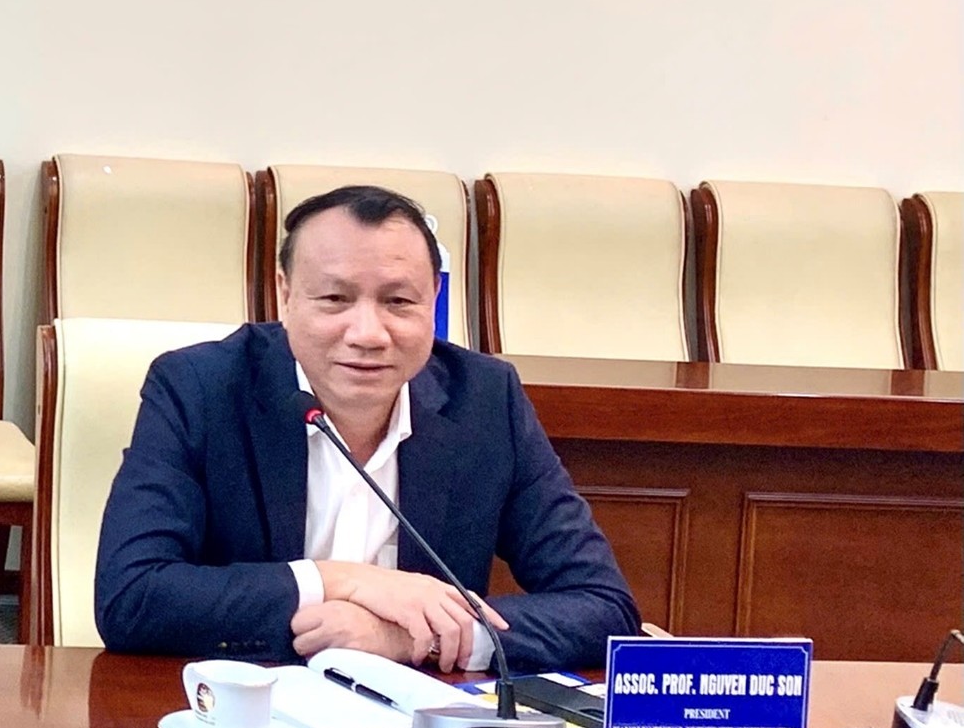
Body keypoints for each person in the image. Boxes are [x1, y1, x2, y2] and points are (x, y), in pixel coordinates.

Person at [95, 185, 640, 672]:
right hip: (242, 715)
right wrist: (344, 581)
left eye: (398, 302)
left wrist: (406, 639)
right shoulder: (199, 388)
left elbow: (604, 607)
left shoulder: (484, 400)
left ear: (433, 301)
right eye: (335, 299)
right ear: (285, 294)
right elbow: (132, 597)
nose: (367, 333)